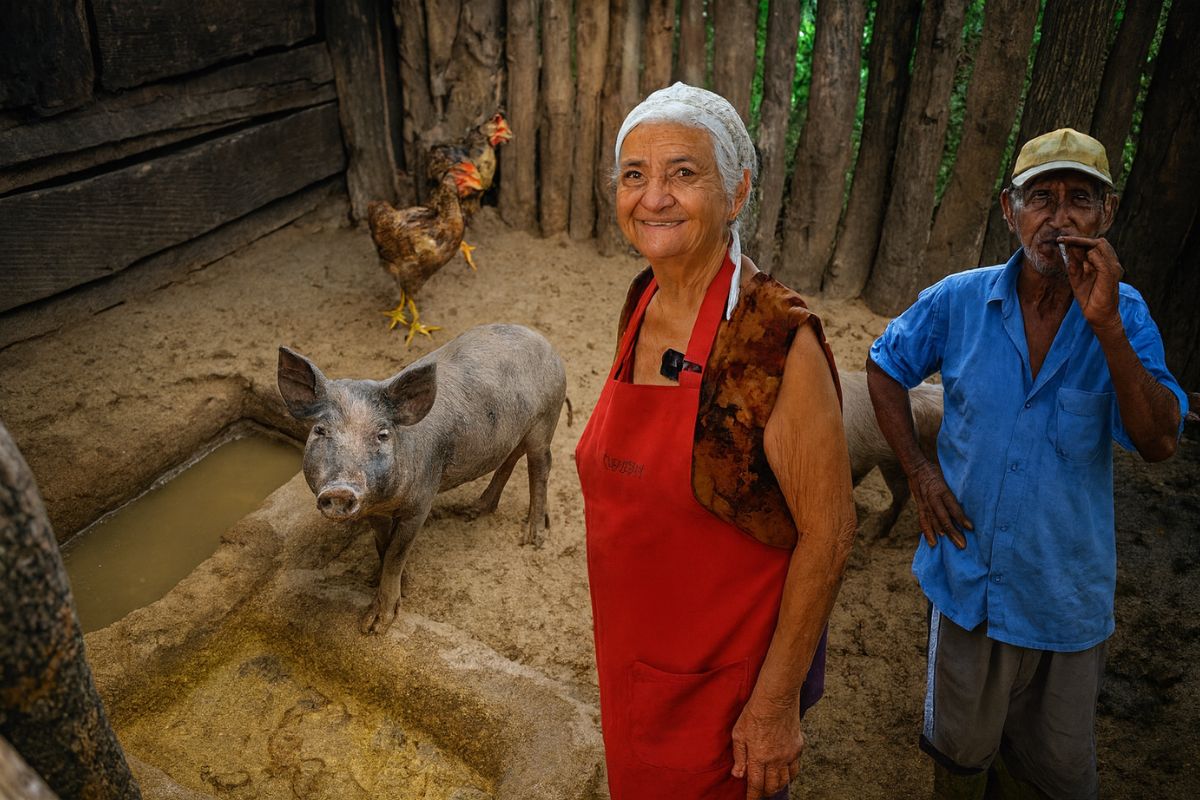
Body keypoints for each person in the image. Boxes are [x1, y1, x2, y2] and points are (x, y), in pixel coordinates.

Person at [866, 128, 1188, 799]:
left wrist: (1106, 328)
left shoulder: (1125, 317)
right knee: (958, 768)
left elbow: (1160, 442)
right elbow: (884, 364)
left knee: (1047, 779)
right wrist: (921, 474)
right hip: (966, 590)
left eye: (1080, 199)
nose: (1059, 217)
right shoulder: (960, 299)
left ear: (1108, 214)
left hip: (1064, 603)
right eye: (1040, 198)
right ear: (1010, 213)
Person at [575, 82, 856, 799]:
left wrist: (772, 707)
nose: (654, 196)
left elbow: (827, 535)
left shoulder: (776, 342)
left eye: (683, 173)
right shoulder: (642, 299)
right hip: (634, 654)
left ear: (737, 194)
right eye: (634, 174)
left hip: (724, 685)